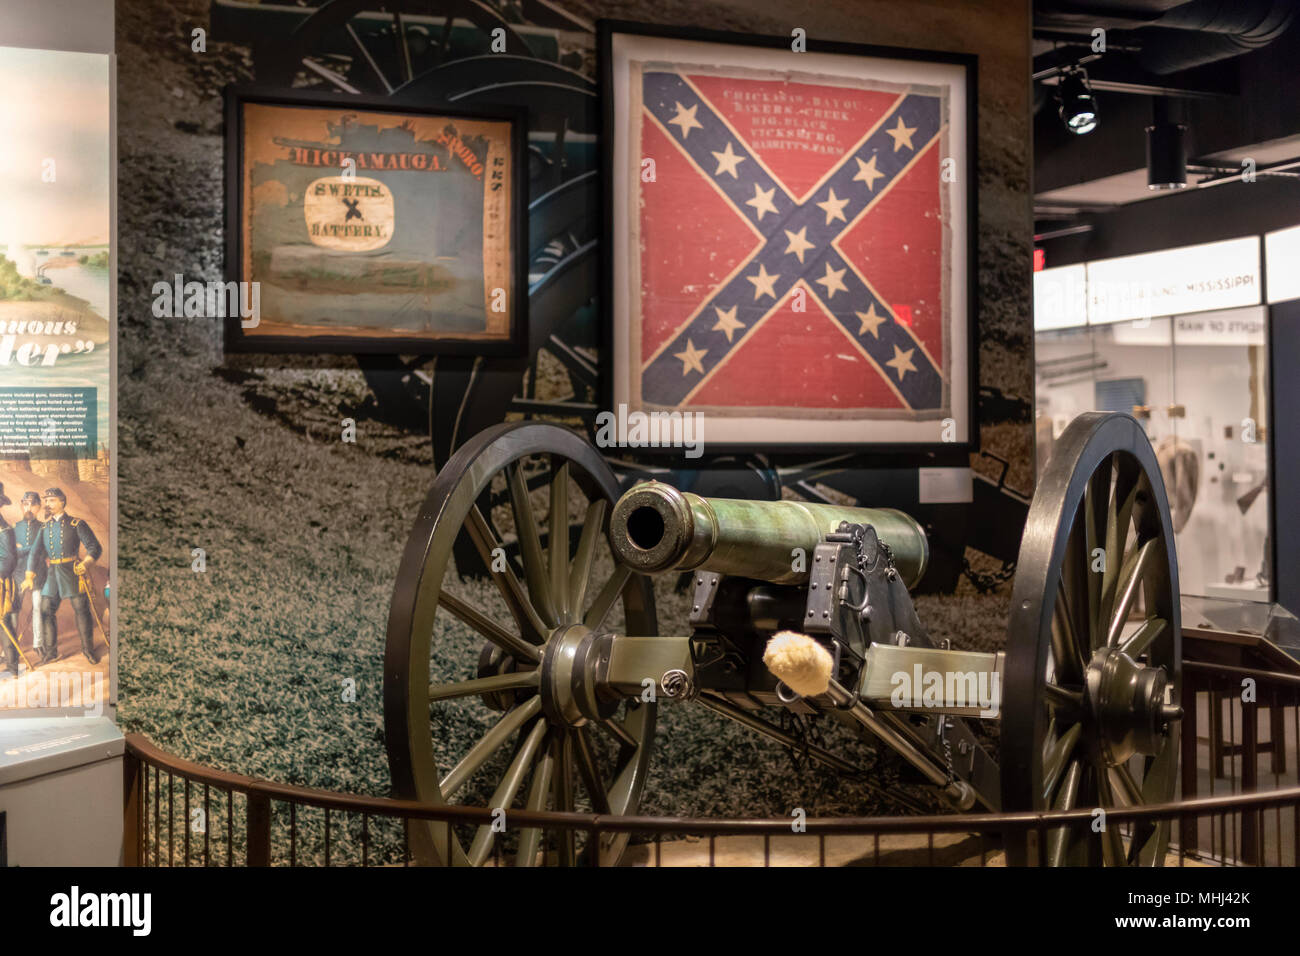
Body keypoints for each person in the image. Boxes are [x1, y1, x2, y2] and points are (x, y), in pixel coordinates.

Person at [22, 487, 103, 665]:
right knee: (45, 610)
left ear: (62, 502)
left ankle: (88, 650)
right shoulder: (45, 527)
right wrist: (29, 574)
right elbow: (35, 553)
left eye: (52, 500)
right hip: (53, 575)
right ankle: (51, 653)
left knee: (81, 610)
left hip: (72, 572)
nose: (48, 504)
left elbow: (95, 547)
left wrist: (86, 563)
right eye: (46, 501)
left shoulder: (77, 524)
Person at [8, 491, 48, 664]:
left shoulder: (44, 528)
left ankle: (38, 645)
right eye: (25, 504)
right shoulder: (14, 528)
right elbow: (11, 552)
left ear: (38, 506)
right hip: (17, 576)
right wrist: (32, 548)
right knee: (14, 611)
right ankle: (10, 648)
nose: (28, 508)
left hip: (38, 575)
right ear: (21, 506)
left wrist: (23, 548)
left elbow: (45, 550)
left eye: (32, 504)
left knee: (39, 610)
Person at [0, 484, 17, 678]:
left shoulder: (4, 529)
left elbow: (9, 559)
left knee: (3, 622)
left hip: (1, 582)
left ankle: (12, 666)